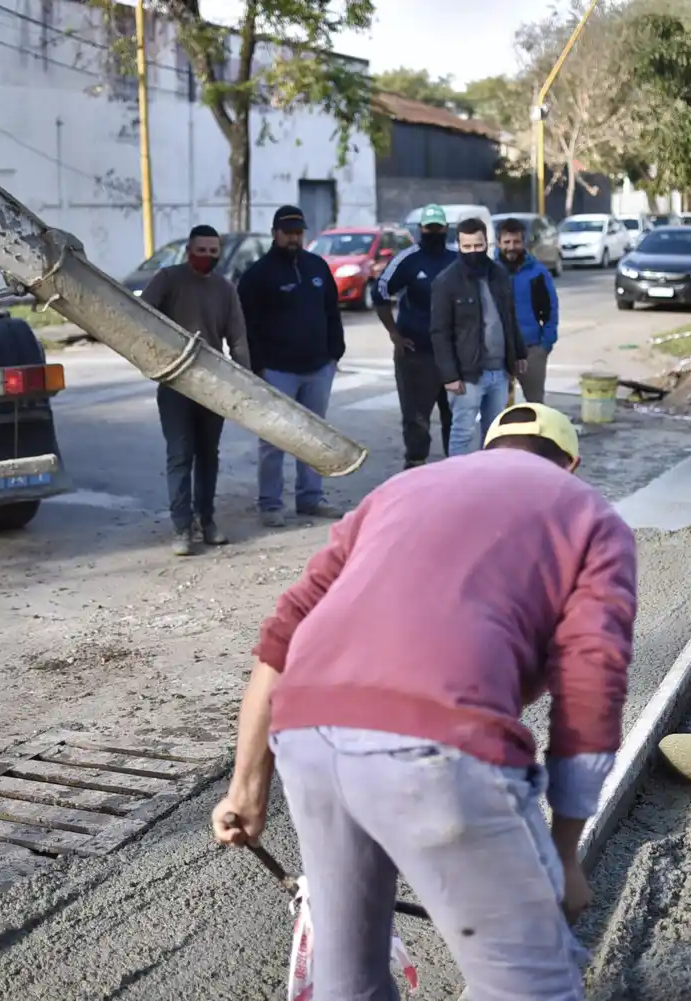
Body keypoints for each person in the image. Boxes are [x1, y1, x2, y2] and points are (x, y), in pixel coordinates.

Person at [211, 403, 637, 1001]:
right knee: (532, 986)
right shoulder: (590, 517)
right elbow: (593, 681)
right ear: (572, 464)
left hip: (305, 732)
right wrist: (564, 854)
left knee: (348, 984)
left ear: (486, 451)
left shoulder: (401, 490)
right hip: (436, 744)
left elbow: (281, 636)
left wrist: (246, 788)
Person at [142, 224, 250, 556]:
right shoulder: (167, 279)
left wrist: (246, 382)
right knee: (180, 456)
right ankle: (181, 529)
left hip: (213, 385)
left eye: (212, 251)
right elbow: (140, 318)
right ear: (189, 250)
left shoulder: (225, 289)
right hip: (175, 382)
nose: (207, 256)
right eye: (201, 250)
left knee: (208, 457)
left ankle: (208, 521)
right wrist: (155, 357)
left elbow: (238, 337)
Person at [238, 206, 346, 526]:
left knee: (314, 436)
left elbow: (332, 311)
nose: (294, 238)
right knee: (273, 440)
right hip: (276, 371)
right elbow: (246, 325)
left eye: (299, 232)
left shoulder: (317, 267)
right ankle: (270, 504)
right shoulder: (258, 274)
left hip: (317, 368)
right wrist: (256, 366)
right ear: (275, 233)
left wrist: (334, 353)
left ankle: (310, 498)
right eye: (288, 233)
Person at [430, 217, 528, 456]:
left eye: (478, 245)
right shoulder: (446, 281)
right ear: (459, 245)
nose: (473, 251)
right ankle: (457, 485)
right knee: (462, 433)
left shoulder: (499, 274)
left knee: (495, 433)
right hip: (467, 375)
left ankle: (487, 484)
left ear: (487, 243)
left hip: (500, 371)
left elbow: (509, 317)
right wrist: (450, 375)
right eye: (467, 247)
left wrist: (519, 353)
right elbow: (439, 332)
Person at [375, 204, 455, 469]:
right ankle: (416, 467)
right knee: (416, 419)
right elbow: (381, 292)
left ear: (446, 229)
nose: (433, 232)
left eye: (438, 227)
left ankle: (455, 471)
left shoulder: (457, 259)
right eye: (428, 227)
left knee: (455, 417)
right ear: (421, 229)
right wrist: (394, 334)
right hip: (416, 354)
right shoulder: (408, 259)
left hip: (453, 356)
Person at [496, 216, 559, 404]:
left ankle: (535, 435)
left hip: (532, 349)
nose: (511, 247)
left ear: (523, 242)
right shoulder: (490, 272)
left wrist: (545, 344)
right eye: (506, 242)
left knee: (536, 407)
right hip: (499, 352)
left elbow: (551, 309)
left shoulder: (538, 272)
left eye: (516, 241)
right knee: (500, 409)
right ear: (499, 243)